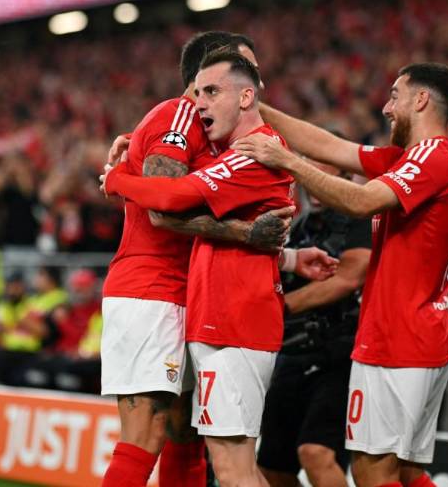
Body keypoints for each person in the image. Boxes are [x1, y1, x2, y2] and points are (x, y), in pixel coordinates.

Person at [98, 33, 334, 487]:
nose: (257, 88)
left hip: (194, 298)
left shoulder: (224, 137)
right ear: (203, 78)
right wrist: (120, 174)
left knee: (186, 437)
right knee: (147, 435)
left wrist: (285, 258)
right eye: (238, 71)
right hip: (151, 291)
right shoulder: (178, 115)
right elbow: (164, 211)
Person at [233, 62, 448, 487]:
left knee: (371, 470)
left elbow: (361, 202)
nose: (385, 107)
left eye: (395, 95)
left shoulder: (434, 160)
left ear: (421, 100)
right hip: (411, 335)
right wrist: (253, 109)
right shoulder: (407, 159)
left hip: (400, 340)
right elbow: (328, 145)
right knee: (408, 472)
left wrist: (286, 160)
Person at [258, 159, 372, 487]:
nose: (315, 178)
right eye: (310, 169)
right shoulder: (299, 224)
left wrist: (280, 307)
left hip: (340, 353)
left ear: (346, 176)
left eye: (325, 169)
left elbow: (348, 279)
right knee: (272, 468)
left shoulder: (361, 220)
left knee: (316, 453)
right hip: (293, 353)